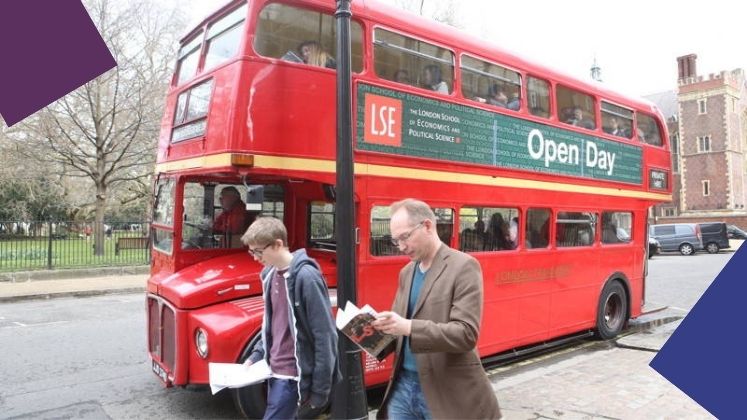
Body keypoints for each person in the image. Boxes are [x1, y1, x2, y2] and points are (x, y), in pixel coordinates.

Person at [372, 198, 502, 419]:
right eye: (396, 241)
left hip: (443, 390)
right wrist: (371, 333)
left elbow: (466, 334)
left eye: (405, 237)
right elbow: (399, 331)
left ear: (427, 226)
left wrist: (409, 326)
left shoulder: (464, 266)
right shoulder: (406, 272)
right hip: (402, 386)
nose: (402, 247)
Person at [241, 217, 340, 420]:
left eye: (258, 251)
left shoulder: (307, 277)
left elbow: (325, 336)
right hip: (273, 370)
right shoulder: (269, 274)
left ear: (278, 244)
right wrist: (257, 354)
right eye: (251, 252)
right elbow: (273, 324)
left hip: (292, 376)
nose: (255, 257)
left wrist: (320, 391)